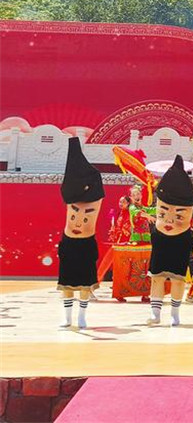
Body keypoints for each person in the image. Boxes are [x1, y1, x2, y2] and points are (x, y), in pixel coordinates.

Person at [58, 137, 104, 329]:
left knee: (85, 283)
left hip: (86, 243)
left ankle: (81, 316)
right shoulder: (70, 199)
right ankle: (67, 317)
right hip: (69, 242)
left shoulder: (96, 198)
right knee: (67, 283)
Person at [147, 155, 193, 327]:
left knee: (178, 280)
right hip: (161, 245)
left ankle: (175, 314)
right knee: (157, 278)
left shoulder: (186, 234)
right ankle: (155, 313)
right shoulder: (157, 231)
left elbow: (192, 241)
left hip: (180, 245)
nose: (169, 220)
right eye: (162, 213)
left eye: (178, 216)